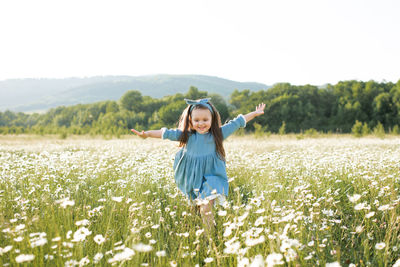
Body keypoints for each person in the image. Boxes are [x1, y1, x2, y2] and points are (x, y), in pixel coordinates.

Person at [131, 98, 265, 233]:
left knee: (206, 207)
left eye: (205, 120)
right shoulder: (186, 135)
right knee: (195, 207)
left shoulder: (218, 134)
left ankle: (209, 238)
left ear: (212, 119)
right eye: (196, 120)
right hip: (192, 174)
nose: (201, 123)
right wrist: (147, 134)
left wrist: (255, 113)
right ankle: (195, 230)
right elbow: (165, 133)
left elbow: (238, 122)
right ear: (190, 121)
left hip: (213, 175)